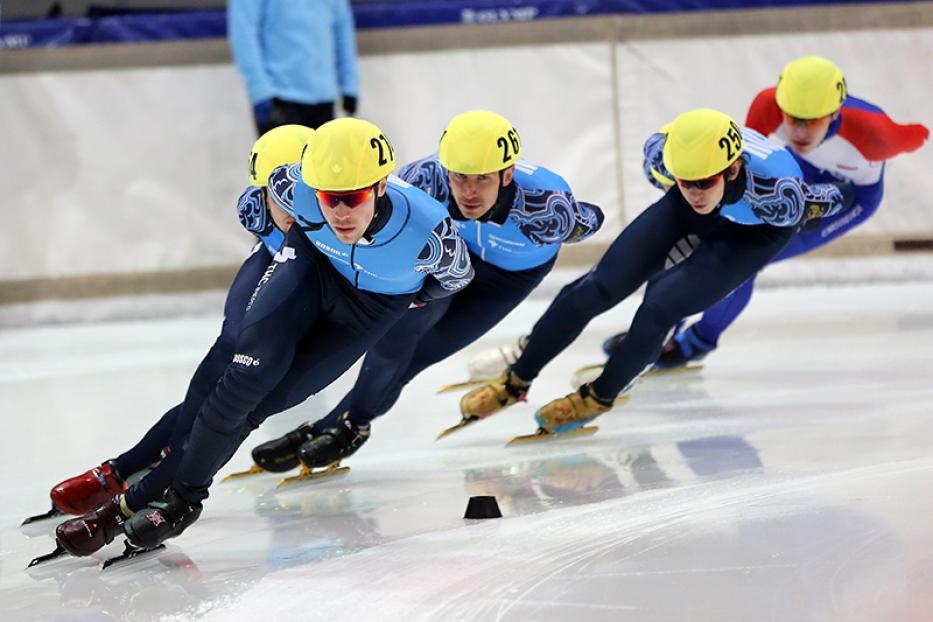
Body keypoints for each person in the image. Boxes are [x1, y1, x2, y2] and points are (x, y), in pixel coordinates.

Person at [113, 118, 473, 550]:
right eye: (327, 198)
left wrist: (415, 294)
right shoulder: (290, 183)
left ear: (380, 186)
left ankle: (173, 499)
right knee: (242, 380)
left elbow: (455, 278)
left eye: (351, 198)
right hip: (314, 270)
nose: (339, 212)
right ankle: (165, 500)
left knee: (263, 404)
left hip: (370, 307)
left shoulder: (431, 232)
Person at [248, 110, 605, 473]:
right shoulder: (423, 178)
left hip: (507, 280)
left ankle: (343, 426)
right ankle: (344, 427)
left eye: (482, 179)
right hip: (449, 263)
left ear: (508, 174)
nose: (468, 191)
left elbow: (589, 220)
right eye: (459, 176)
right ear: (444, 170)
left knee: (419, 357)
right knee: (395, 341)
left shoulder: (548, 207)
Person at [459, 108, 852, 436]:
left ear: (732, 170)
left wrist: (823, 205)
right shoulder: (662, 155)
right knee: (596, 286)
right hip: (693, 213)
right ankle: (517, 378)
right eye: (685, 181)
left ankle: (600, 396)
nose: (696, 189)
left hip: (755, 232)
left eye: (704, 181)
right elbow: (688, 186)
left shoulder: (781, 196)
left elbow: (834, 198)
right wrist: (692, 194)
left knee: (659, 306)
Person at [44, 125, 314, 555]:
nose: (291, 209)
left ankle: (141, 487)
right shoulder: (256, 213)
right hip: (274, 278)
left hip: (304, 306)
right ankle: (124, 469)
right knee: (216, 370)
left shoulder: (328, 220)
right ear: (261, 193)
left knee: (228, 406)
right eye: (277, 195)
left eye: (301, 195)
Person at [602, 56, 929, 367]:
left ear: (833, 113)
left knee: (743, 260)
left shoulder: (877, 135)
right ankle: (659, 330)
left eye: (810, 121)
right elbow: (741, 163)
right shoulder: (767, 106)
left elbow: (919, 134)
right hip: (795, 174)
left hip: (847, 196)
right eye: (791, 118)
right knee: (705, 243)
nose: (798, 131)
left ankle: (697, 342)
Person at [228, 0, 359, 135]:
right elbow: (243, 31)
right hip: (279, 100)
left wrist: (349, 85)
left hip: (323, 99)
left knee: (322, 156)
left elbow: (342, 26)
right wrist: (261, 92)